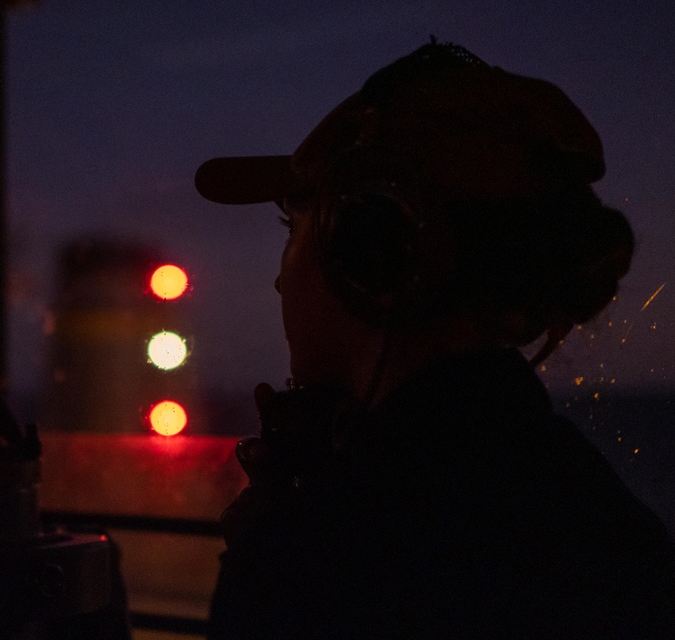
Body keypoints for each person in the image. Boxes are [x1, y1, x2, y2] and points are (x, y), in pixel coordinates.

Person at [195, 40, 675, 639]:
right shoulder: (602, 520)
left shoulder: (327, 560)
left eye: (295, 226)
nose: (277, 277)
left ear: (371, 248)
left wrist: (273, 551)